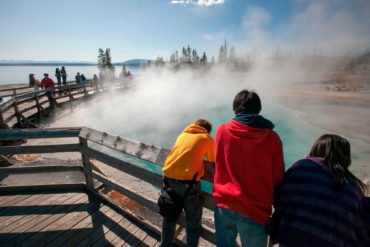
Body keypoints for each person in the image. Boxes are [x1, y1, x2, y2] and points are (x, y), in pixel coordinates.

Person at [212, 89, 285, 247]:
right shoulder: (272, 138)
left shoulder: (222, 131)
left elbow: (218, 161)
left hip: (224, 205)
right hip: (255, 211)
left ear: (235, 109)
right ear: (258, 109)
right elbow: (278, 176)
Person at [270, 134, 370, 247]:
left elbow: (280, 198)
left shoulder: (301, 167)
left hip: (294, 237)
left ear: (316, 149)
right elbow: (356, 224)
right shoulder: (352, 185)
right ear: (345, 157)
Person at [160, 119, 215, 247]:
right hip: (188, 185)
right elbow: (213, 161)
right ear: (207, 130)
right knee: (193, 224)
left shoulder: (182, 135)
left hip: (168, 180)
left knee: (169, 217)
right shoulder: (207, 138)